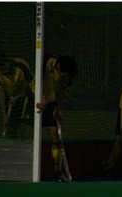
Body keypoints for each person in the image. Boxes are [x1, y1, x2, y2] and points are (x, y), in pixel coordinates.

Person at [36, 54, 77, 182]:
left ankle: (57, 172)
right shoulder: (46, 62)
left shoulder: (68, 75)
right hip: (35, 94)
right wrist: (42, 101)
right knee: (30, 130)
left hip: (50, 100)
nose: (63, 75)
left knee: (55, 136)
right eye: (61, 71)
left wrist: (57, 109)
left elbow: (62, 92)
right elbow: (45, 86)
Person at [0, 57, 35, 138]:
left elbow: (30, 89)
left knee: (25, 122)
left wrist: (17, 97)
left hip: (26, 95)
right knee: (10, 124)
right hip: (12, 98)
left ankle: (27, 141)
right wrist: (4, 115)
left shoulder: (22, 68)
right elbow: (1, 93)